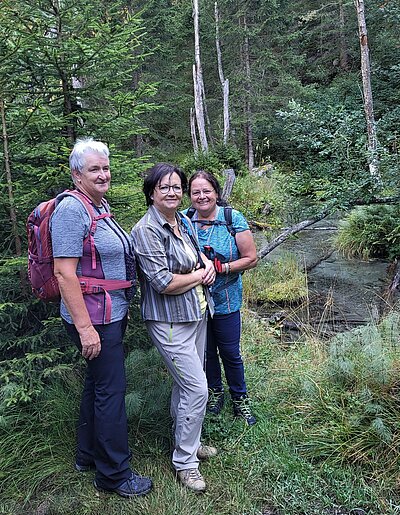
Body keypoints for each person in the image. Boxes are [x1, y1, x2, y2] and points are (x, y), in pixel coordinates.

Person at [50, 138, 152, 498]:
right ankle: (114, 475)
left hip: (109, 314)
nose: (103, 173)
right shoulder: (71, 210)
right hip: (93, 318)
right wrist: (84, 329)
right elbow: (64, 272)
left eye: (105, 167)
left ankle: (87, 456)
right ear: (77, 174)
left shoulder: (98, 205)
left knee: (97, 386)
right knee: (111, 391)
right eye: (95, 169)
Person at [131, 163, 217, 493]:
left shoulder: (180, 220)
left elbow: (196, 256)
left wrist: (206, 265)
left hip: (195, 313)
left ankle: (190, 444)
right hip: (169, 322)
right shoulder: (146, 230)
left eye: (177, 187)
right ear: (151, 192)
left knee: (186, 387)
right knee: (198, 389)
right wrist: (199, 275)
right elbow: (162, 281)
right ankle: (185, 463)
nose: (172, 192)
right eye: (164, 187)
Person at [185, 170, 258, 426]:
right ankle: (215, 394)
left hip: (227, 297)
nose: (202, 196)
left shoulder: (232, 218)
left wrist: (222, 269)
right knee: (206, 351)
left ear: (216, 192)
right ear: (190, 196)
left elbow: (251, 258)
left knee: (230, 351)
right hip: (196, 299)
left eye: (207, 191)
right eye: (196, 192)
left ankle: (240, 399)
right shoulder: (183, 220)